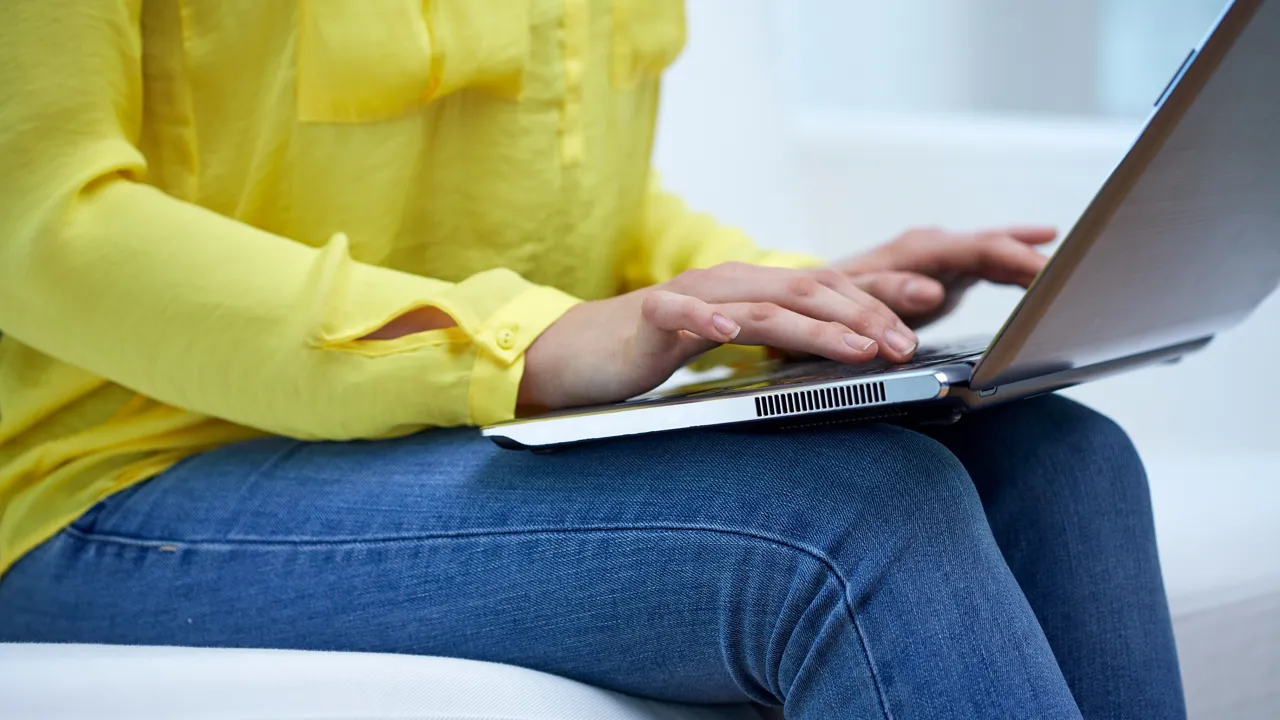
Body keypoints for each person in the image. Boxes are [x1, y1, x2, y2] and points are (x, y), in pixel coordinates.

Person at [0, 2, 1185, 718]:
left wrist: (786, 298)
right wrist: (519, 342)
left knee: (1054, 455)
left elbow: (585, 209)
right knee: (855, 518)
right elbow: (37, 220)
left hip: (432, 430)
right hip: (110, 480)